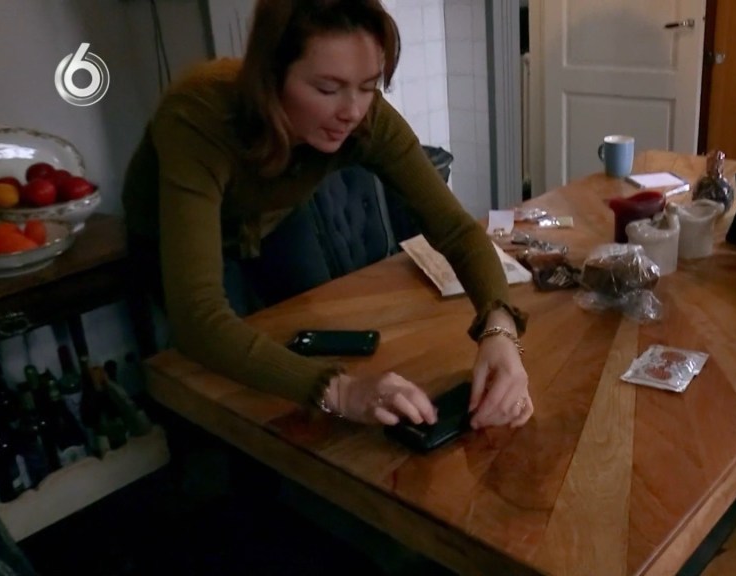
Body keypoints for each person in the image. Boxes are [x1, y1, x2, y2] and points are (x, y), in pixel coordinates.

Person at [123, 0, 532, 430]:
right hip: (173, 233)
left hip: (275, 217)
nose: (352, 111)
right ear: (270, 75)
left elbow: (456, 230)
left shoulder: (366, 118)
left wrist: (500, 328)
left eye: (368, 85)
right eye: (326, 89)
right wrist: (341, 393)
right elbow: (199, 318)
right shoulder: (197, 115)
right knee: (221, 383)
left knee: (318, 345)